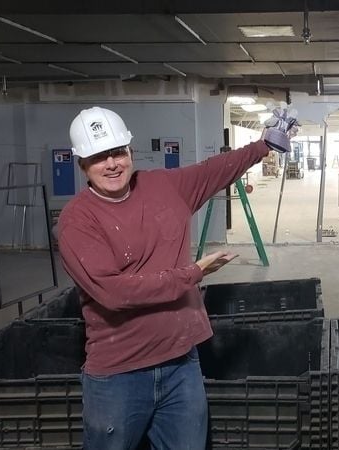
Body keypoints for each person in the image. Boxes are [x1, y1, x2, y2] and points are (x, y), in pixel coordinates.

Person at [57, 106, 296, 450]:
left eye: (117, 152)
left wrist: (264, 145)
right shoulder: (77, 220)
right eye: (98, 157)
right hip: (120, 373)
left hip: (180, 362)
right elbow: (114, 293)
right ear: (82, 164)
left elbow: (213, 170)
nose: (112, 164)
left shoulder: (163, 186)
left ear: (130, 151)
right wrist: (193, 273)